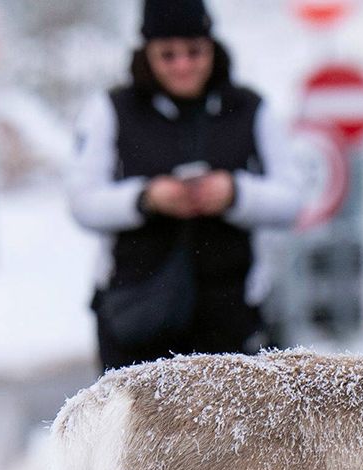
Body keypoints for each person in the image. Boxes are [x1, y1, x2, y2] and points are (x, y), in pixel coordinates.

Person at [68, 0, 306, 372]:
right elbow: (82, 201)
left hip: (230, 317)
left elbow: (291, 199)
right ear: (147, 53)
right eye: (168, 55)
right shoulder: (111, 110)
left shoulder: (249, 107)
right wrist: (146, 199)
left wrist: (234, 194)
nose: (182, 65)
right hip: (137, 316)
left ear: (212, 47)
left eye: (194, 52)